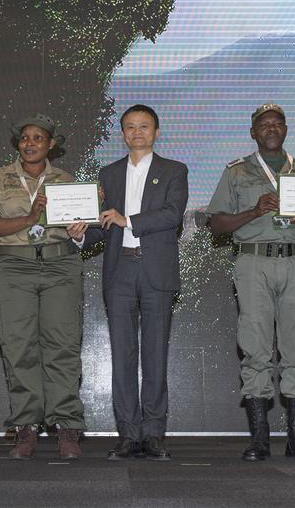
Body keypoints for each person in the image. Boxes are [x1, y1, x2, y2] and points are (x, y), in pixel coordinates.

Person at [206, 103, 295, 462]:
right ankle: (259, 438)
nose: (271, 129)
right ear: (253, 133)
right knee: (255, 345)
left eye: (277, 123)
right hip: (254, 262)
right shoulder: (236, 172)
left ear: (286, 130)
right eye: (264, 124)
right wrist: (254, 210)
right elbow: (216, 225)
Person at [68, 104, 188, 461]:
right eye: (131, 127)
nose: (137, 132)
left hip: (156, 271)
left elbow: (172, 214)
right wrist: (79, 234)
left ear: (156, 132)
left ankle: (153, 434)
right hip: (119, 271)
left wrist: (128, 220)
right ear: (122, 134)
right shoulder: (107, 174)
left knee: (155, 354)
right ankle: (128, 434)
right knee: (121, 354)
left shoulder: (174, 170)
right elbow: (102, 226)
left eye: (144, 126)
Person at [0, 114, 86, 460]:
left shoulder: (67, 181)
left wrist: (80, 227)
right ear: (18, 144)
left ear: (50, 144)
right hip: (13, 265)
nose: (30, 143)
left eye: (38, 138)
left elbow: (80, 226)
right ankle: (26, 427)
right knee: (18, 346)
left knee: (62, 345)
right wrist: (27, 219)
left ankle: (67, 426)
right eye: (25, 137)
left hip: (60, 265)